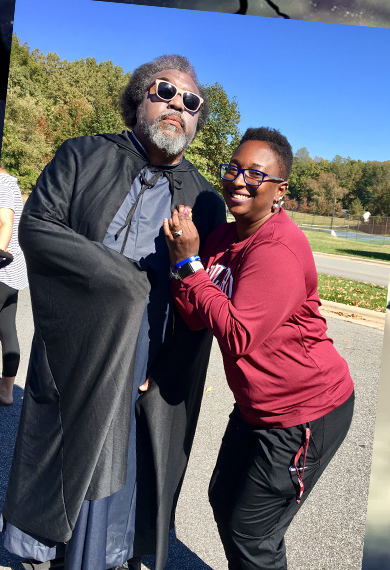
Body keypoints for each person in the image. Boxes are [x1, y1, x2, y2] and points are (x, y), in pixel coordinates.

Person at [2, 55, 226, 570]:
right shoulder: (83, 155)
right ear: (139, 98)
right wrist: (123, 285)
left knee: (117, 465)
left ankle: (100, 557)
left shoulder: (205, 199)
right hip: (72, 339)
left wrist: (167, 368)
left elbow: (202, 299)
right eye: (165, 92)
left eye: (191, 103)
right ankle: (42, 549)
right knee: (61, 444)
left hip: (144, 354)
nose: (178, 106)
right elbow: (37, 226)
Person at [164, 127, 355, 570]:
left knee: (254, 532)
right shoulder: (221, 241)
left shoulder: (278, 248)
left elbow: (238, 335)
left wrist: (189, 267)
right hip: (257, 406)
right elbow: (198, 316)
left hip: (306, 410)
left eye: (255, 174)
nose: (238, 181)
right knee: (223, 499)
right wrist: (184, 270)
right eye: (232, 169)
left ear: (280, 191)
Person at [0, 161, 26, 407]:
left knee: (7, 330)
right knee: (7, 329)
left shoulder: (1, 185)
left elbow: (5, 222)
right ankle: (6, 393)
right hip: (12, 273)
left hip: (1, 269)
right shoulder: (10, 183)